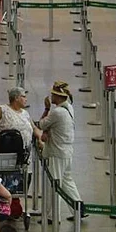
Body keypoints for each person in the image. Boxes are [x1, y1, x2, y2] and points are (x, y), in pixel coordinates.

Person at [35, 82, 82, 221]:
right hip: (67, 151)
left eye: (53, 94)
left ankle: (53, 216)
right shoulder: (69, 108)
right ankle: (78, 209)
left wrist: (46, 108)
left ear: (59, 96)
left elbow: (42, 124)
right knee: (67, 181)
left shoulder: (57, 112)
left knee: (54, 185)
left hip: (56, 153)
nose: (51, 96)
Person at [0, 87, 35, 152]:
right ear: (16, 98)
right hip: (8, 150)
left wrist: (40, 139)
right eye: (23, 97)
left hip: (25, 151)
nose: (26, 99)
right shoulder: (2, 110)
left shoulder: (25, 113)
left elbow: (34, 128)